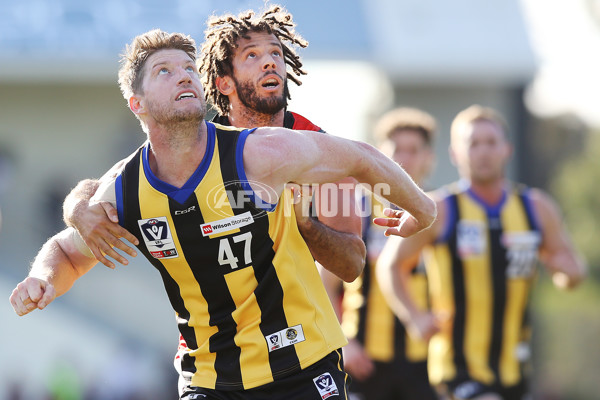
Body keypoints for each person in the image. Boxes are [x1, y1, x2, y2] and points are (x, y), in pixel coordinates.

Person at [9, 29, 436, 399]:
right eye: (164, 71)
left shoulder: (259, 153)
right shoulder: (123, 192)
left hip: (302, 366)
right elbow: (67, 253)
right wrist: (43, 278)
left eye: (187, 68)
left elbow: (360, 157)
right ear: (136, 104)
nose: (182, 75)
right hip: (210, 381)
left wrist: (424, 209)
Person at [62, 4, 365, 283]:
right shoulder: (196, 140)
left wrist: (306, 225)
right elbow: (114, 180)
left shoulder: (320, 149)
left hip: (298, 328)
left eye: (276, 54)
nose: (270, 64)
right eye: (252, 56)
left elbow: (351, 266)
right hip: (210, 332)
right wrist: (76, 209)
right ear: (224, 83)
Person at [375, 105, 587, 400]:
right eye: (473, 143)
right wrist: (415, 318)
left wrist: (567, 274)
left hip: (515, 365)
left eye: (491, 143)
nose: (483, 152)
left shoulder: (536, 208)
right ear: (455, 153)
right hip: (457, 367)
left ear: (507, 149)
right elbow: (390, 265)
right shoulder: (439, 209)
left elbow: (570, 268)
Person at [321, 107, 439, 400]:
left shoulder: (443, 214)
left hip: (425, 362)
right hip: (365, 360)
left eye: (414, 150)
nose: (406, 158)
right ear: (381, 154)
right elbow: (324, 282)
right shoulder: (356, 210)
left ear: (429, 158)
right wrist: (344, 343)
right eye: (398, 149)